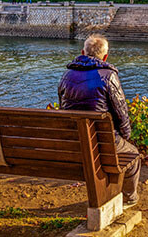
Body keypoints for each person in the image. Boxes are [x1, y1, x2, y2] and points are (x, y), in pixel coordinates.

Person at [58, 35, 141, 207]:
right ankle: (129, 197)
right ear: (105, 57)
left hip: (75, 141)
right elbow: (121, 112)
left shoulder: (67, 75)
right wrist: (125, 136)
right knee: (132, 154)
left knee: (106, 152)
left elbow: (62, 108)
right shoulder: (108, 76)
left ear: (82, 53)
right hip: (103, 142)